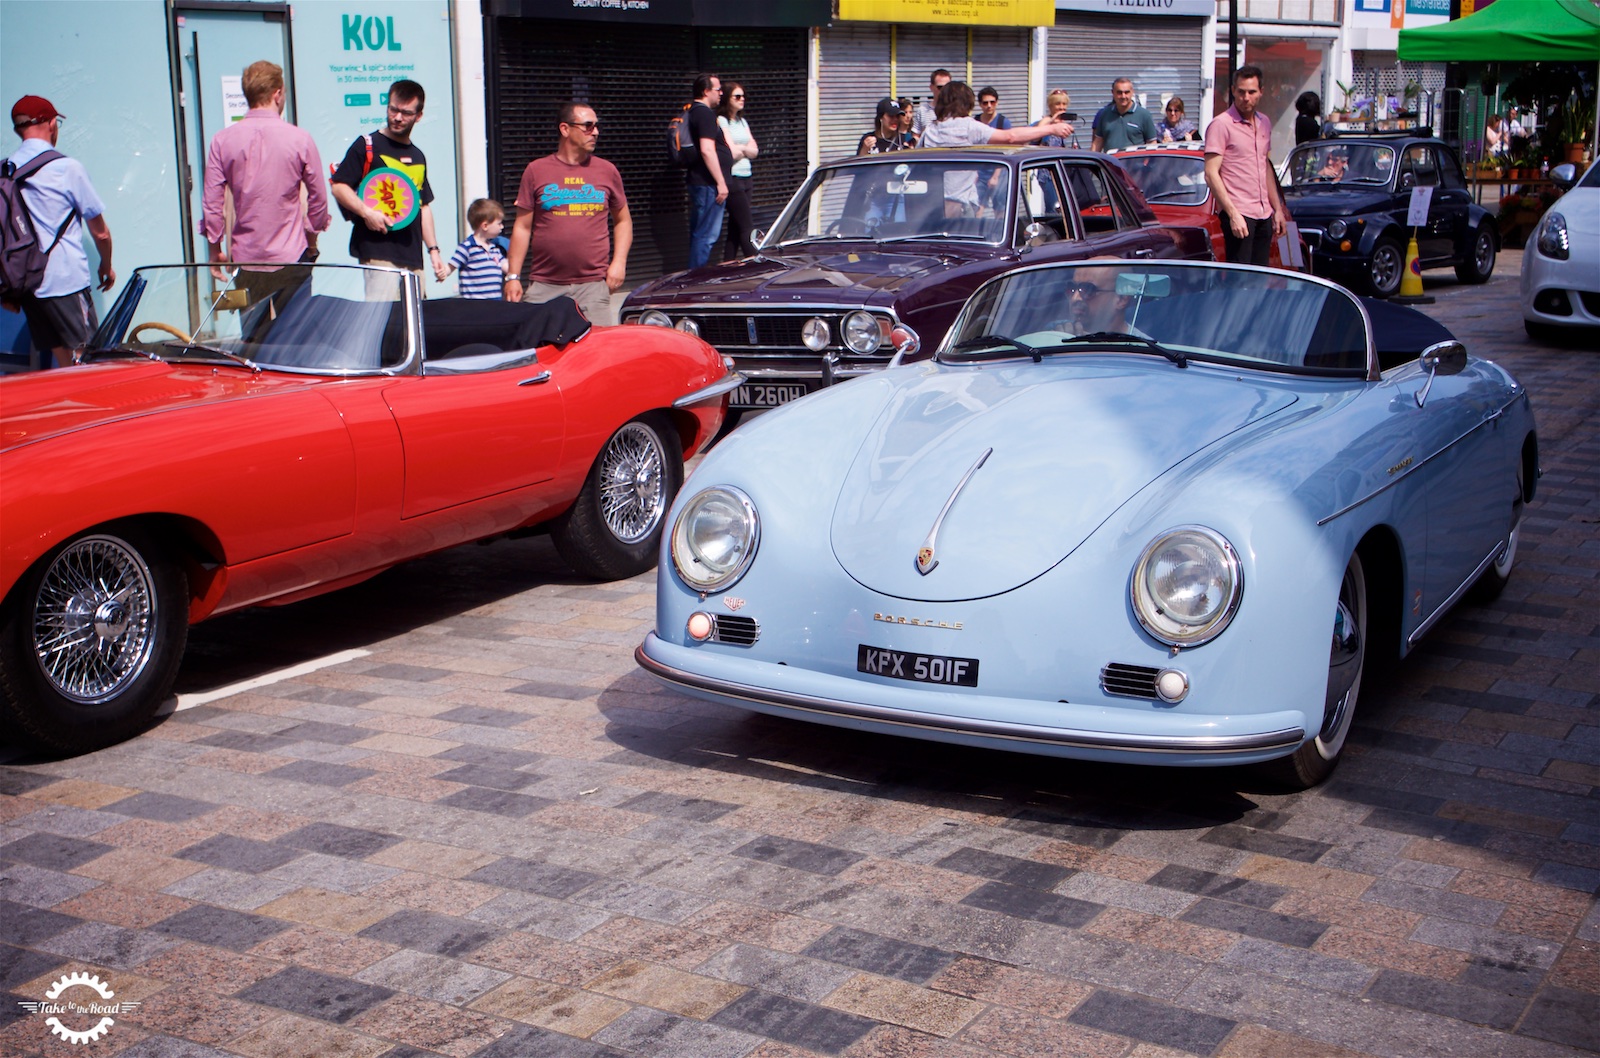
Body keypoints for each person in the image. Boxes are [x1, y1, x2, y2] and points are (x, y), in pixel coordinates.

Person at [3, 95, 113, 367]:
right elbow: (100, 232)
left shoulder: (6, 170)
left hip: (28, 285)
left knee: (63, 362)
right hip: (65, 281)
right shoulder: (66, 168)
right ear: (51, 124)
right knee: (88, 360)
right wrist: (107, 265)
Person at [506, 101, 631, 325]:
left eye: (596, 126)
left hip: (593, 285)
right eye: (588, 126)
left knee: (598, 354)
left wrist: (619, 262)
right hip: (545, 284)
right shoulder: (536, 170)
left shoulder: (607, 171)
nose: (595, 132)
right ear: (565, 129)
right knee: (536, 352)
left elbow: (622, 220)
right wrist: (513, 277)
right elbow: (522, 227)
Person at [201, 60, 328, 275]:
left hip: (245, 256)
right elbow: (319, 199)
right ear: (277, 94)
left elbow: (212, 204)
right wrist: (311, 237)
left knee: (252, 310)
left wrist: (215, 249)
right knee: (297, 311)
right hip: (292, 254)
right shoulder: (301, 139)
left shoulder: (221, 141)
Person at [329, 79, 449, 287]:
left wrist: (433, 251)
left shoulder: (418, 156)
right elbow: (339, 186)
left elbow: (423, 206)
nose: (398, 118)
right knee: (384, 316)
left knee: (414, 317)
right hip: (378, 251)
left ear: (418, 116)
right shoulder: (366, 145)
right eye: (393, 110)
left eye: (406, 113)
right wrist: (367, 213)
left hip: (412, 255)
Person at [920, 82, 1074, 215]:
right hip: (959, 208)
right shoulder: (968, 126)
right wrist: (1051, 129)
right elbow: (1011, 137)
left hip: (931, 208)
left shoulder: (930, 130)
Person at [1203, 64, 1288, 266]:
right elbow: (1211, 173)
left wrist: (1277, 209)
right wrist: (1233, 214)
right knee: (1240, 282)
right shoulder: (1221, 124)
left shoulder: (1264, 122)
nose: (1246, 97)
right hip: (1239, 212)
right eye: (1240, 92)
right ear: (1232, 91)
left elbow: (1264, 166)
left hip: (1263, 213)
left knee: (1260, 279)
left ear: (1261, 93)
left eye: (1251, 92)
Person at [684, 73, 731, 271]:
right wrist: (720, 182)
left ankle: (694, 276)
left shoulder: (693, 111)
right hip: (708, 184)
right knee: (706, 235)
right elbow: (707, 149)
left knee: (700, 233)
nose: (721, 93)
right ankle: (695, 279)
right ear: (705, 91)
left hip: (702, 183)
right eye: (717, 89)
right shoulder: (703, 114)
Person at [717, 82, 758, 261]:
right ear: (727, 98)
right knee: (746, 226)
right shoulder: (721, 120)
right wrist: (743, 148)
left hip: (746, 177)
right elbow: (730, 152)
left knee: (734, 228)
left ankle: (729, 265)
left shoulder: (742, 121)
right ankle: (755, 262)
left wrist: (740, 148)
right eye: (737, 97)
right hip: (732, 178)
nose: (742, 100)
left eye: (743, 96)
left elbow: (755, 151)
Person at [445, 198, 507, 299]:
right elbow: (451, 266)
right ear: (485, 226)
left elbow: (507, 267)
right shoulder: (467, 247)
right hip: (475, 303)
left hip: (496, 302)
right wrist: (443, 272)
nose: (502, 227)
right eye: (499, 223)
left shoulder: (494, 248)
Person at [1091, 78, 1158, 152]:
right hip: (1111, 162)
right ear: (1113, 93)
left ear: (1132, 92)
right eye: (1119, 92)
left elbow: (1151, 143)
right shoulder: (1104, 114)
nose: (1123, 96)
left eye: (1126, 92)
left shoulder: (1144, 115)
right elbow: (1098, 142)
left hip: (1135, 163)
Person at [912, 69, 952, 145]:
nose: (944, 90)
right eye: (940, 87)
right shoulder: (923, 110)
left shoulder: (956, 110)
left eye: (947, 87)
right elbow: (916, 136)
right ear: (931, 87)